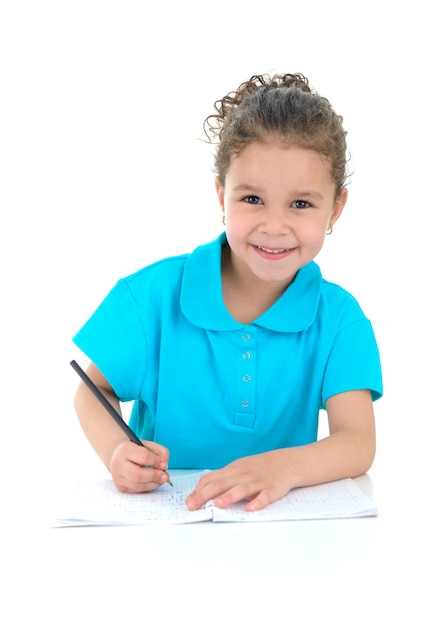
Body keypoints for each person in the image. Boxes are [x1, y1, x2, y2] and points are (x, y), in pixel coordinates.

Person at [72, 72, 382, 513]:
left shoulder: (340, 319)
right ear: (222, 195)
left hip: (287, 536)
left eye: (301, 204)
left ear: (336, 207)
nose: (274, 226)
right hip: (161, 530)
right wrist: (115, 451)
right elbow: (93, 388)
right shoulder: (152, 297)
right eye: (252, 199)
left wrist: (282, 469)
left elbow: (358, 442)